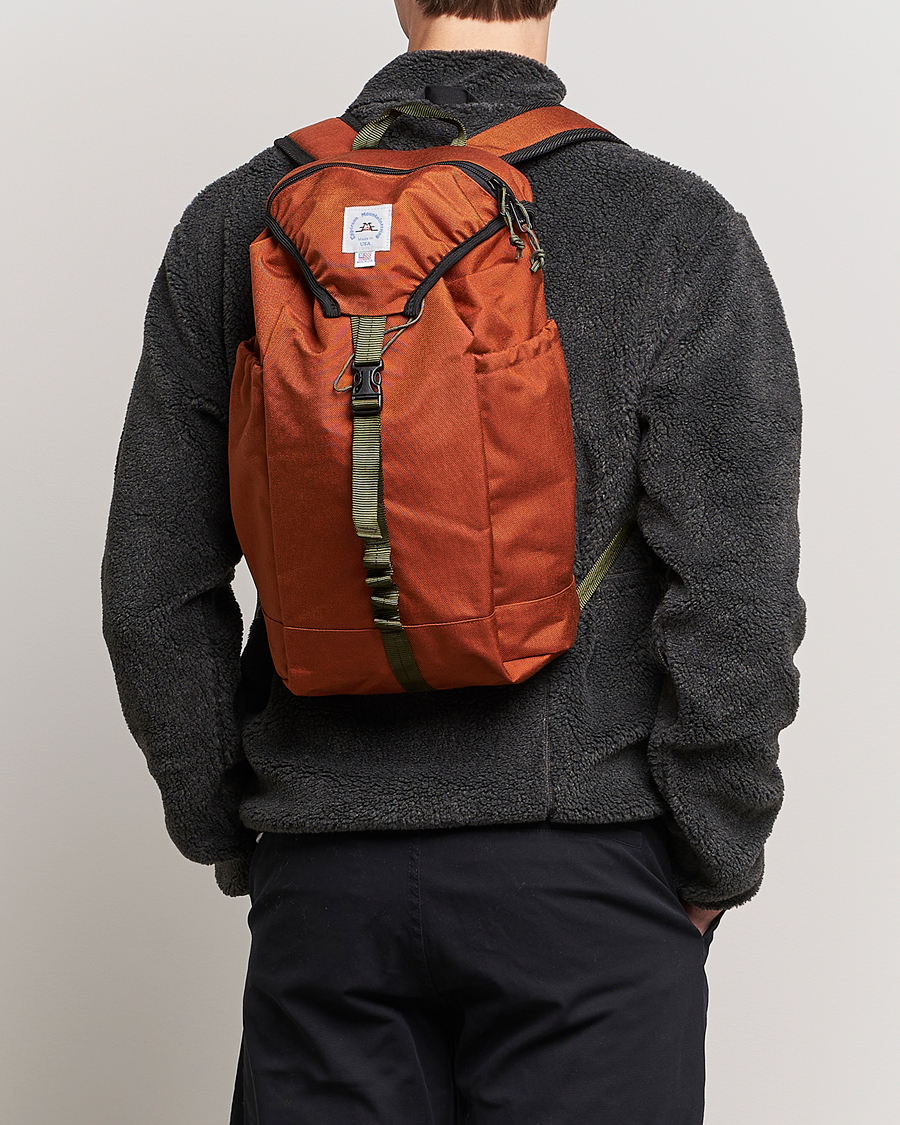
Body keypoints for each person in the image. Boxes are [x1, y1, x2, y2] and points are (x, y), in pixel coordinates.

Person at [101, 0, 805, 1121]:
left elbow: (154, 588)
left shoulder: (239, 218)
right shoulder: (673, 224)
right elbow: (735, 592)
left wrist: (238, 822)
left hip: (325, 885)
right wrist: (715, 853)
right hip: (586, 876)